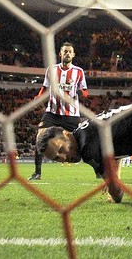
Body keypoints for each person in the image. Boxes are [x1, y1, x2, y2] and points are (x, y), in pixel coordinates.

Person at [29, 42, 88, 181]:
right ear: (60, 54)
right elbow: (45, 87)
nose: (67, 53)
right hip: (52, 113)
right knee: (40, 138)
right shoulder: (51, 70)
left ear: (73, 55)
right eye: (65, 51)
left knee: (84, 142)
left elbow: (85, 91)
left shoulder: (78, 71)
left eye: (70, 52)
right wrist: (38, 97)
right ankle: (37, 173)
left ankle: (98, 169)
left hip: (72, 115)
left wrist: (75, 95)